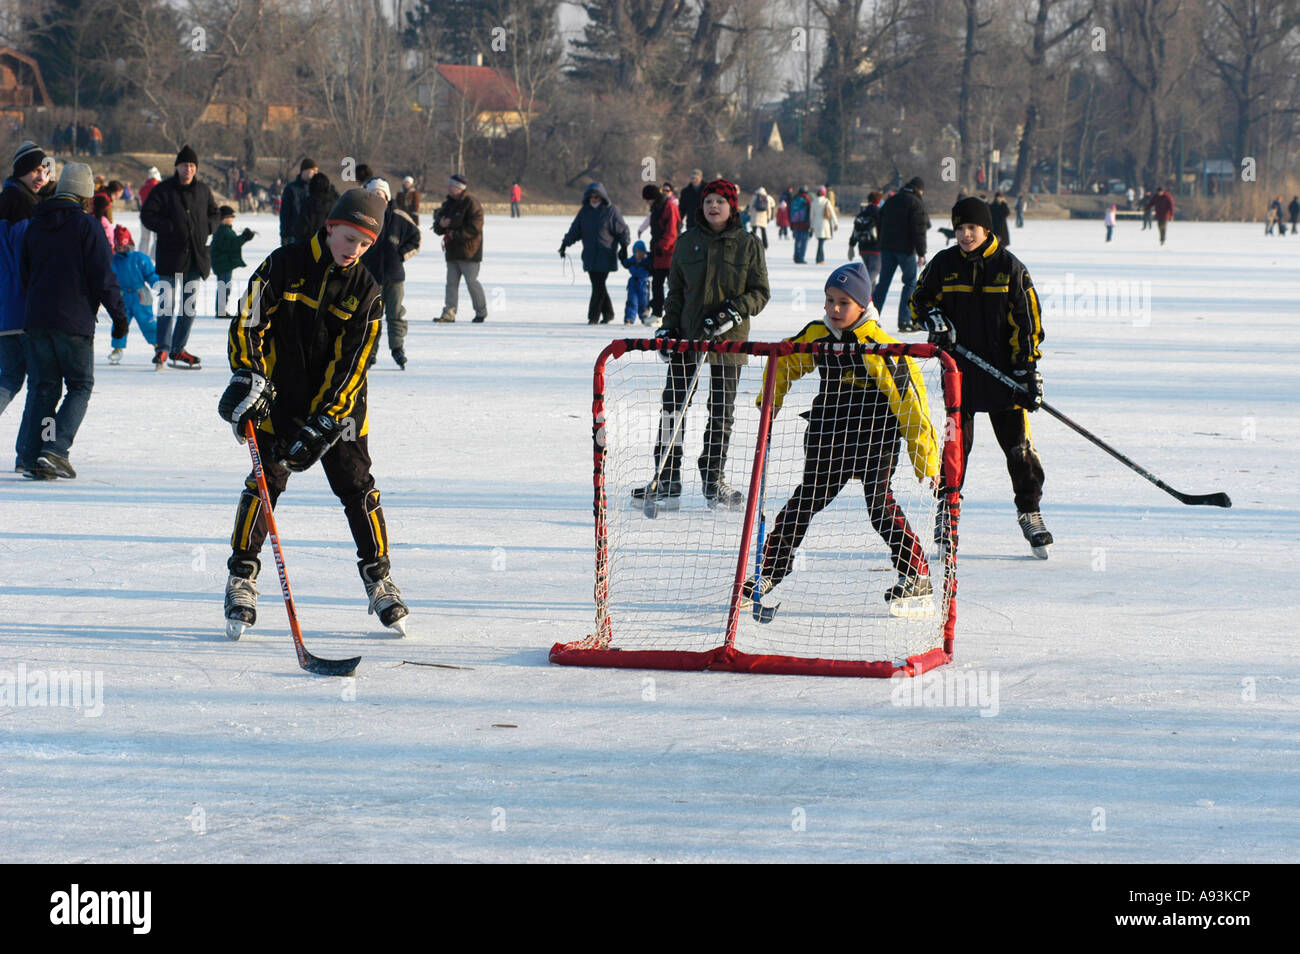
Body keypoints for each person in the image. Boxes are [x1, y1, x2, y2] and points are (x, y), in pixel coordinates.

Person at [218, 188, 409, 638]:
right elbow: (249, 322)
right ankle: (242, 576)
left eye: (365, 244)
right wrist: (250, 376)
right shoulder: (283, 265)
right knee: (265, 483)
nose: (354, 250)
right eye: (349, 238)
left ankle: (379, 578)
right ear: (330, 226)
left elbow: (354, 365)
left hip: (340, 411)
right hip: (278, 400)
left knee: (357, 489)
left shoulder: (367, 290)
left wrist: (325, 421)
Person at [743, 262, 939, 610]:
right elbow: (784, 361)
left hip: (874, 439)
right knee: (804, 502)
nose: (834, 309)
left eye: (844, 303)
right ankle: (769, 572)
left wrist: (926, 461)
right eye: (829, 300)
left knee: (879, 506)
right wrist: (770, 400)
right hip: (830, 434)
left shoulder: (882, 347)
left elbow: (913, 407)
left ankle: (916, 574)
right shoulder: (817, 335)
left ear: (863, 306)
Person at [908, 196, 1051, 557]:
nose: (966, 235)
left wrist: (1027, 371)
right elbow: (918, 299)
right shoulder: (944, 264)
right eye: (959, 228)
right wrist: (934, 319)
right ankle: (948, 511)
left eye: (972, 228)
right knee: (956, 448)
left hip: (1004, 376)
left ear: (987, 229)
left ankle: (1030, 511)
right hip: (960, 374)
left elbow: (1028, 322)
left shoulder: (1009, 268)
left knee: (1019, 449)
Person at [633, 178, 770, 509]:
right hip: (688, 337)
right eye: (708, 200)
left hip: (729, 342)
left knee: (721, 412)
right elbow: (676, 293)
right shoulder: (687, 242)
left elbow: (760, 292)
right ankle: (666, 478)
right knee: (673, 409)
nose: (713, 206)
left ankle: (713, 479)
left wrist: (733, 313)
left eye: (720, 202)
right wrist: (668, 329)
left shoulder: (748, 244)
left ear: (731, 207)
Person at [17, 162, 128, 479]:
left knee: (44, 388)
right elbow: (103, 277)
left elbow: (25, 273)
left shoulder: (35, 225)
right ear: (85, 194)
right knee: (80, 386)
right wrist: (119, 317)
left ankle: (33, 452)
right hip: (73, 322)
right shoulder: (87, 226)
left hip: (37, 319)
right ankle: (55, 448)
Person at [139, 144, 218, 369]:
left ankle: (178, 349)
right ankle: (162, 349)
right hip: (171, 257)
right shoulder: (163, 190)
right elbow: (147, 215)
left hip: (196, 257)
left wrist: (207, 228)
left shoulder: (203, 190)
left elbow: (215, 213)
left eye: (192, 166)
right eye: (185, 165)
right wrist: (168, 227)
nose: (189, 169)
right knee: (167, 305)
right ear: (177, 166)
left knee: (189, 308)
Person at [359, 177, 420, 367]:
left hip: (394, 276)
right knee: (370, 317)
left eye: (381, 194)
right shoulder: (361, 215)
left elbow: (415, 238)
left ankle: (398, 349)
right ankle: (370, 352)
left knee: (395, 314)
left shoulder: (399, 217)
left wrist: (401, 255)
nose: (378, 197)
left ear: (387, 196)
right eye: (374, 193)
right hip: (369, 277)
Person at [559, 181, 629, 325]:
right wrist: (564, 244)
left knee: (598, 285)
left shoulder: (611, 211)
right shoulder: (584, 212)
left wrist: (624, 246)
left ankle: (594, 316)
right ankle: (608, 313)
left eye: (597, 196)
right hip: (590, 256)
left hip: (606, 254)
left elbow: (622, 230)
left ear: (602, 197)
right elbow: (575, 230)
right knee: (599, 285)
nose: (594, 199)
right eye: (592, 197)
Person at [872, 176, 928, 332]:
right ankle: (904, 320)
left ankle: (871, 319)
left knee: (883, 283)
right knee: (910, 282)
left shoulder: (892, 200)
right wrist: (921, 252)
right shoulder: (916, 203)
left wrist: (881, 240)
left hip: (887, 248)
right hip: (906, 250)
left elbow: (879, 220)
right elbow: (919, 230)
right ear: (920, 189)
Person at [431, 173, 487, 323]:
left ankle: (481, 311)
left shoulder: (471, 203)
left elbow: (475, 228)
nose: (449, 188)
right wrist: (441, 225)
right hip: (452, 252)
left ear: (460, 188)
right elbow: (438, 226)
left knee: (472, 282)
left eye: (452, 186)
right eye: (449, 185)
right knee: (451, 284)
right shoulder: (448, 204)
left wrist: (454, 233)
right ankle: (449, 312)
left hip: (469, 252)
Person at [107, 226, 159, 365]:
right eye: (118, 248)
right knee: (120, 322)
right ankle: (117, 348)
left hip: (140, 295)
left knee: (147, 321)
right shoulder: (113, 261)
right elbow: (109, 278)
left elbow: (151, 274)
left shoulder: (140, 259)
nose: (121, 251)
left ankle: (158, 346)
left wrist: (158, 284)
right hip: (122, 296)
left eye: (124, 247)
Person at [209, 205, 255, 319]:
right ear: (223, 218)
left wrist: (244, 238)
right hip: (223, 265)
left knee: (225, 287)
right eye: (229, 217)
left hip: (224, 264)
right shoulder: (223, 231)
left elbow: (232, 243)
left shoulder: (225, 230)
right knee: (224, 287)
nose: (231, 219)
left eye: (232, 217)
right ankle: (220, 311)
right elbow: (231, 245)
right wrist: (244, 237)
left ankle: (221, 310)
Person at [644, 183, 679, 321]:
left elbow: (672, 232)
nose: (646, 202)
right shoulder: (656, 207)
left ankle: (675, 315)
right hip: (658, 254)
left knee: (674, 287)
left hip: (670, 254)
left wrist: (661, 247)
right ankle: (657, 314)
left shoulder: (669, 207)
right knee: (657, 285)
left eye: (647, 199)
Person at [0, 141, 51, 222]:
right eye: (36, 170)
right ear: (22, 171)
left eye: (45, 172)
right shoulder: (19, 205)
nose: (42, 178)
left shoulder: (34, 199)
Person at [848, 192, 883, 290]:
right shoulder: (880, 213)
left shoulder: (862, 214)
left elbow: (855, 231)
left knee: (870, 274)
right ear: (879, 201)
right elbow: (884, 231)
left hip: (863, 248)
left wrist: (851, 246)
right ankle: (859, 288)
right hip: (876, 248)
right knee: (875, 271)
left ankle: (869, 300)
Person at [279, 158, 317, 246]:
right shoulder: (291, 189)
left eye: (316, 171)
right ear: (304, 170)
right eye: (313, 170)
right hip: (294, 235)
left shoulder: (315, 190)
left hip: (311, 236)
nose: (315, 173)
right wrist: (284, 235)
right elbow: (284, 214)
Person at [296, 171, 338, 244]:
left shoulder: (307, 203)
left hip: (309, 246)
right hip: (329, 245)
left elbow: (301, 229)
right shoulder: (335, 204)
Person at [621, 240, 653, 325]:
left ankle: (644, 316)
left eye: (641, 252)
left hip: (644, 284)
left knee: (644, 302)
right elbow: (625, 262)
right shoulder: (631, 261)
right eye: (637, 252)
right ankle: (629, 318)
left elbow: (652, 262)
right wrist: (621, 254)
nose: (639, 254)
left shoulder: (647, 261)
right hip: (633, 284)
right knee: (632, 301)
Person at [137, 166, 161, 258]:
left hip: (144, 216)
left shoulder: (142, 188)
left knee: (144, 239)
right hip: (156, 216)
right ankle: (153, 259)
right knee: (157, 239)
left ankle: (141, 258)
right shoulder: (159, 187)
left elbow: (140, 202)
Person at [810, 185, 838, 264]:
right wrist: (835, 223)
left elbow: (811, 215)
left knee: (820, 242)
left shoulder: (814, 201)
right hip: (824, 224)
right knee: (821, 243)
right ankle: (820, 259)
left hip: (816, 224)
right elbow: (832, 213)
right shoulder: (826, 201)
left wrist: (811, 226)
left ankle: (819, 258)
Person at [789, 186, 812, 263]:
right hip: (804, 224)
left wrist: (791, 224)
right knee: (803, 242)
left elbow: (790, 211)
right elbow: (810, 212)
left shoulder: (795, 198)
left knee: (797, 241)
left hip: (795, 223)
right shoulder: (807, 199)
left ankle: (796, 257)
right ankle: (801, 258)